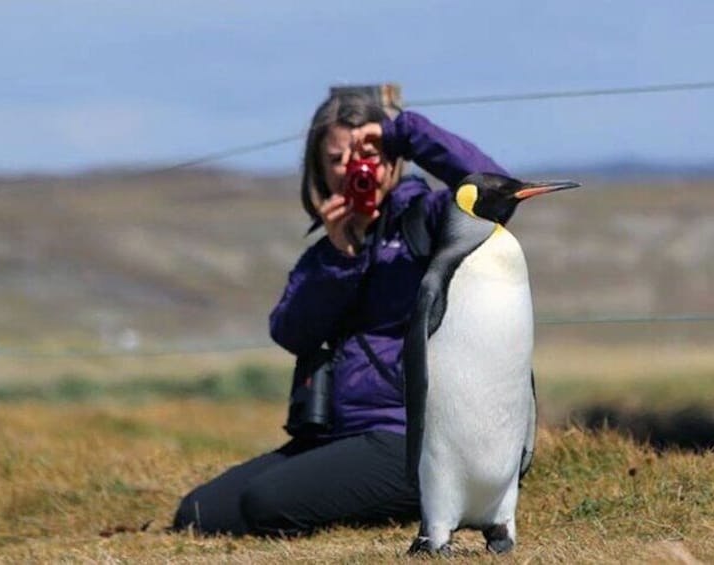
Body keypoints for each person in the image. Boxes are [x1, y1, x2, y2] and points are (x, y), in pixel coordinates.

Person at [172, 92, 509, 536]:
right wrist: (340, 256)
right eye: (337, 159)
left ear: (392, 158)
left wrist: (404, 131)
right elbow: (291, 333)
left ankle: (437, 495)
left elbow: (498, 189)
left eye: (367, 154)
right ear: (319, 169)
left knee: (266, 502)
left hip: (418, 439)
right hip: (345, 435)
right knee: (197, 513)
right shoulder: (327, 251)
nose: (354, 168)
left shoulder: (430, 221)